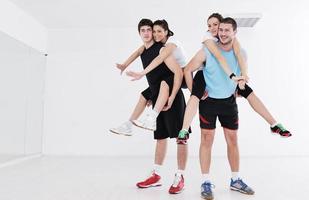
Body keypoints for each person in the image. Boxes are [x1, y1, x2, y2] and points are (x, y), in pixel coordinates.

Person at [176, 13, 291, 144]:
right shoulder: (208, 39)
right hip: (204, 72)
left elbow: (239, 55)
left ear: (223, 25)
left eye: (216, 25)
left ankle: (274, 124)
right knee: (195, 96)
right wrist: (193, 89)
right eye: (209, 26)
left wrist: (243, 77)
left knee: (249, 92)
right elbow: (219, 58)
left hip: (228, 76)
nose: (213, 28)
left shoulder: (231, 39)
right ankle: (184, 130)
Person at [188, 17, 255, 199]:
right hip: (208, 102)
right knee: (206, 140)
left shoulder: (241, 52)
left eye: (227, 30)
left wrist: (238, 88)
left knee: (232, 139)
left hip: (228, 103)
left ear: (234, 32)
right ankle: (206, 182)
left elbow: (241, 76)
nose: (223, 33)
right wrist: (196, 91)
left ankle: (235, 180)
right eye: (221, 30)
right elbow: (188, 68)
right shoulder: (207, 50)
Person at [131, 18, 188, 194]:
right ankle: (156, 175)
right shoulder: (147, 50)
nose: (153, 34)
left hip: (174, 95)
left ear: (165, 32)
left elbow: (177, 72)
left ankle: (180, 176)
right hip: (159, 97)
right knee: (160, 136)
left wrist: (171, 97)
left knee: (181, 137)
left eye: (156, 31)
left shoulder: (166, 47)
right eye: (149, 31)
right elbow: (156, 77)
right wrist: (151, 94)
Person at [110, 19, 189, 135]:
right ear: (139, 33)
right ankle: (129, 125)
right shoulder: (143, 49)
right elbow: (137, 53)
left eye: (149, 30)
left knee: (180, 138)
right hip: (159, 87)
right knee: (143, 95)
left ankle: (151, 119)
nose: (147, 33)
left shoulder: (163, 48)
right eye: (143, 31)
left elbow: (176, 70)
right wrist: (124, 65)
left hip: (174, 82)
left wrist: (142, 74)